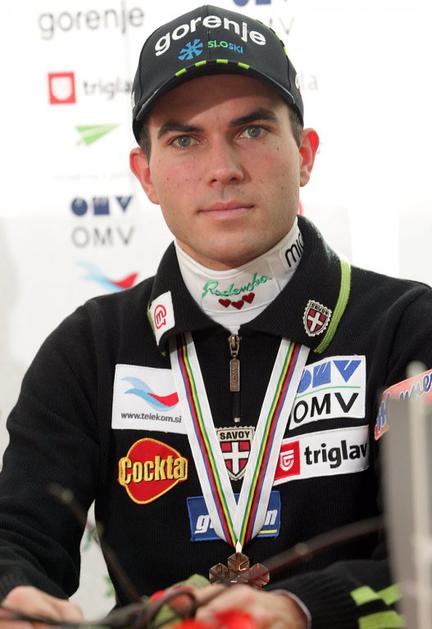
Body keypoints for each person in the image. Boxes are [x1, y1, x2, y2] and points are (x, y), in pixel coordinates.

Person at [0, 5, 431, 627]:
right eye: (184, 140)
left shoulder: (409, 328)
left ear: (305, 154)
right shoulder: (89, 347)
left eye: (251, 130)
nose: (222, 168)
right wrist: (11, 591)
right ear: (146, 174)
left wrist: (298, 609)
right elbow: (17, 532)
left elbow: (425, 551)